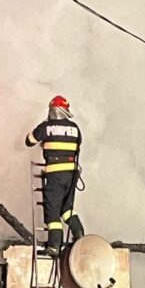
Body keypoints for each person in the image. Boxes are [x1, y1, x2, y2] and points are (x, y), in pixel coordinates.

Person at [25, 95, 85, 257]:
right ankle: (79, 234)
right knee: (67, 209)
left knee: (52, 210)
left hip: (55, 174)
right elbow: (76, 148)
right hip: (72, 174)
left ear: (52, 110)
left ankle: (54, 246)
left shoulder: (47, 126)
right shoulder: (75, 128)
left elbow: (29, 141)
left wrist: (43, 140)